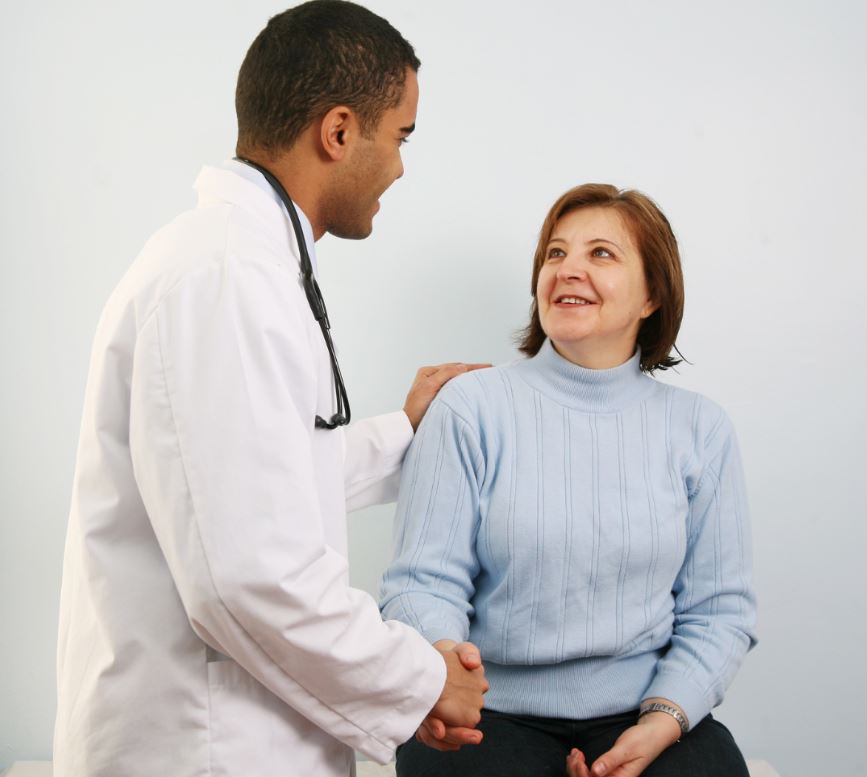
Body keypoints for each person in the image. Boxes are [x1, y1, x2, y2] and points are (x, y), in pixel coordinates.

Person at [53, 3, 490, 776]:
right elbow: (251, 576)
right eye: (400, 137)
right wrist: (422, 679)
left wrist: (405, 430)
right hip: (201, 747)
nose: (398, 166)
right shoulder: (225, 278)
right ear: (339, 131)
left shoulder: (243, 264)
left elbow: (261, 472)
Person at [381, 183, 758, 777]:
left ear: (653, 294)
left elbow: (719, 610)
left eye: (600, 254)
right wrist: (444, 666)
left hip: (641, 710)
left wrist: (662, 720)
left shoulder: (700, 429)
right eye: (555, 254)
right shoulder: (469, 408)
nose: (568, 270)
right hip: (491, 710)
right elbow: (421, 582)